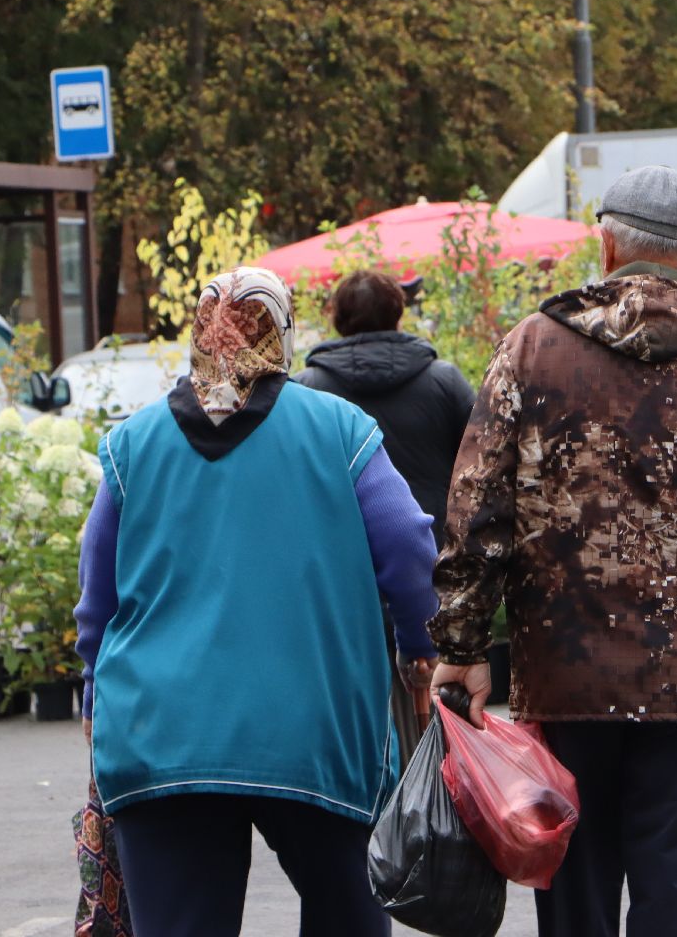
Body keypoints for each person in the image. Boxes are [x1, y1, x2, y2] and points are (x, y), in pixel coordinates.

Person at [427, 165, 677, 936]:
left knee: (576, 900)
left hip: (564, 676)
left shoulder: (531, 350)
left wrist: (463, 643)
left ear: (607, 244)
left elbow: (476, 509)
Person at [75, 267, 441, 937]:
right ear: (282, 331)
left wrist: (97, 699)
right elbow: (409, 548)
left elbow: (96, 599)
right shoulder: (339, 431)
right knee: (350, 914)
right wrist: (421, 652)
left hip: (162, 736)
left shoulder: (133, 443)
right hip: (315, 732)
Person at [295, 268, 475, 760]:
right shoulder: (443, 383)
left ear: (336, 318)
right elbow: (483, 468)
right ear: (399, 312)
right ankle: (433, 811)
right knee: (434, 719)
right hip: (430, 568)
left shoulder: (306, 393)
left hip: (340, 580)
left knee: (354, 718)